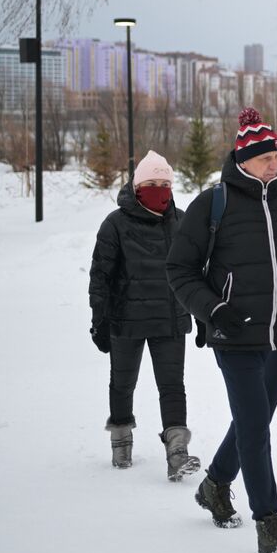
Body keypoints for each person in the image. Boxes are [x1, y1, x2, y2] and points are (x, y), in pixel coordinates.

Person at [166, 108, 277, 553]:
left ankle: (215, 485)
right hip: (233, 335)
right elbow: (180, 270)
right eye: (266, 158)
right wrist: (213, 310)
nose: (275, 164)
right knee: (256, 428)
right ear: (244, 159)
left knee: (253, 421)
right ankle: (269, 523)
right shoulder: (213, 204)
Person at [88, 150, 201, 480]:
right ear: (137, 186)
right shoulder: (115, 224)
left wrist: (200, 311)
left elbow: (194, 271)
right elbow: (100, 277)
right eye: (152, 183)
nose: (160, 189)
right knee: (123, 384)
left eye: (165, 183)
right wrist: (100, 320)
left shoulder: (181, 222)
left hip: (169, 319)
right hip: (126, 321)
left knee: (172, 386)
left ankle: (177, 452)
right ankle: (120, 443)